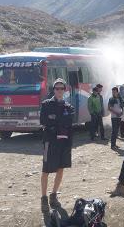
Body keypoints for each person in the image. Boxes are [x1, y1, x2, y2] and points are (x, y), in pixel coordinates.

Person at [40, 78, 75, 212]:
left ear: (65, 90)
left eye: (62, 88)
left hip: (64, 143)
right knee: (46, 170)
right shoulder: (46, 104)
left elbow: (69, 122)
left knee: (61, 169)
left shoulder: (69, 107)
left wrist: (53, 119)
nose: (59, 90)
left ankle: (53, 195)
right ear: (53, 90)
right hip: (49, 141)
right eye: (57, 88)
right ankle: (43, 198)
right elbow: (43, 120)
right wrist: (58, 121)